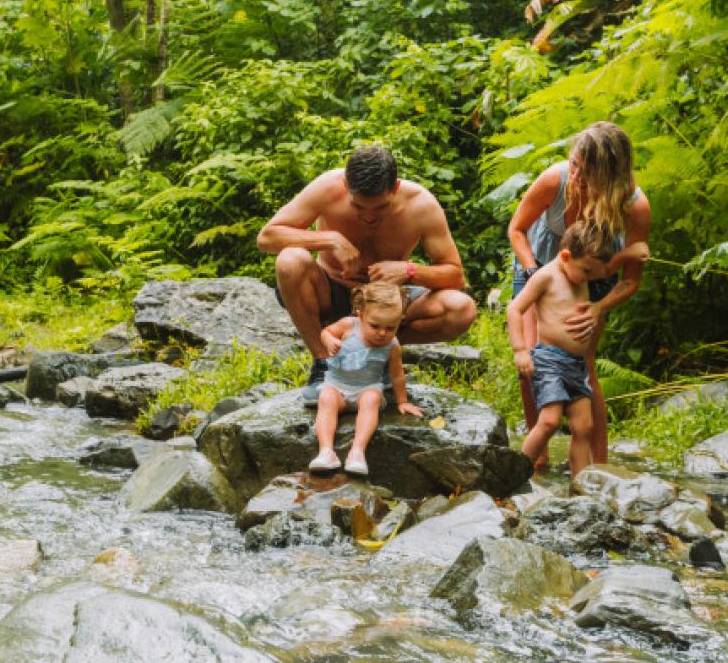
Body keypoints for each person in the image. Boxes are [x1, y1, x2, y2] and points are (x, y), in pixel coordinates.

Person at [257, 146, 476, 402]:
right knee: (290, 260)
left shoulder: (421, 204)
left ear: (395, 188)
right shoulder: (327, 187)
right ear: (346, 185)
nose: (369, 217)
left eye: (380, 208)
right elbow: (267, 237)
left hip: (388, 301)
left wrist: (409, 270)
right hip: (331, 291)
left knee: (461, 309)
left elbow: (455, 275)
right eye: (359, 207)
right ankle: (323, 364)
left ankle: (377, 353)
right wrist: (330, 239)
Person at [508, 121, 651, 464]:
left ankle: (599, 466)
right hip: (538, 266)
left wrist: (599, 308)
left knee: (584, 364)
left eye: (586, 172)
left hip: (596, 281)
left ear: (610, 176)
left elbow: (630, 279)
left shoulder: (634, 206)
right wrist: (533, 273)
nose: (575, 176)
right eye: (573, 164)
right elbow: (516, 229)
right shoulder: (553, 181)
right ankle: (535, 459)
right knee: (531, 359)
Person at [507, 222, 649, 476]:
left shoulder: (582, 267)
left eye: (591, 274)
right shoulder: (546, 276)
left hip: (576, 363)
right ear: (565, 256)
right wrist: (520, 350)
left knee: (584, 427)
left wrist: (629, 253)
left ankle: (581, 488)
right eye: (586, 272)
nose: (589, 279)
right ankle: (515, 475)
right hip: (549, 359)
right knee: (549, 420)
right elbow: (515, 308)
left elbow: (605, 267)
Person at [309, 283, 423, 476]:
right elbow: (325, 332)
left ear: (399, 322)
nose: (382, 333)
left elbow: (396, 374)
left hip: (366, 388)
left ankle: (357, 451)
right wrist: (329, 340)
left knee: (372, 399)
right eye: (375, 326)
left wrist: (402, 401)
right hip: (337, 387)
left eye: (390, 328)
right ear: (361, 315)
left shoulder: (392, 345)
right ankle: (326, 451)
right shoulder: (348, 326)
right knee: (326, 398)